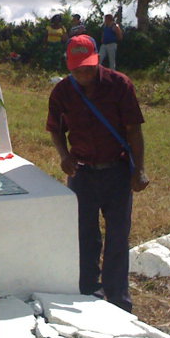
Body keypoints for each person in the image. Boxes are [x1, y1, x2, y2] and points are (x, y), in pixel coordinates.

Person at [46, 34, 149, 312]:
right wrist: (65, 155)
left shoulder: (119, 85)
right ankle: (89, 292)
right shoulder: (62, 92)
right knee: (84, 236)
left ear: (97, 60)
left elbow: (134, 130)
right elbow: (55, 129)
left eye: (88, 67)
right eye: (77, 68)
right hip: (82, 175)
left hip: (116, 173)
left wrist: (138, 170)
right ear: (68, 65)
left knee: (118, 236)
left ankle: (118, 300)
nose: (83, 73)